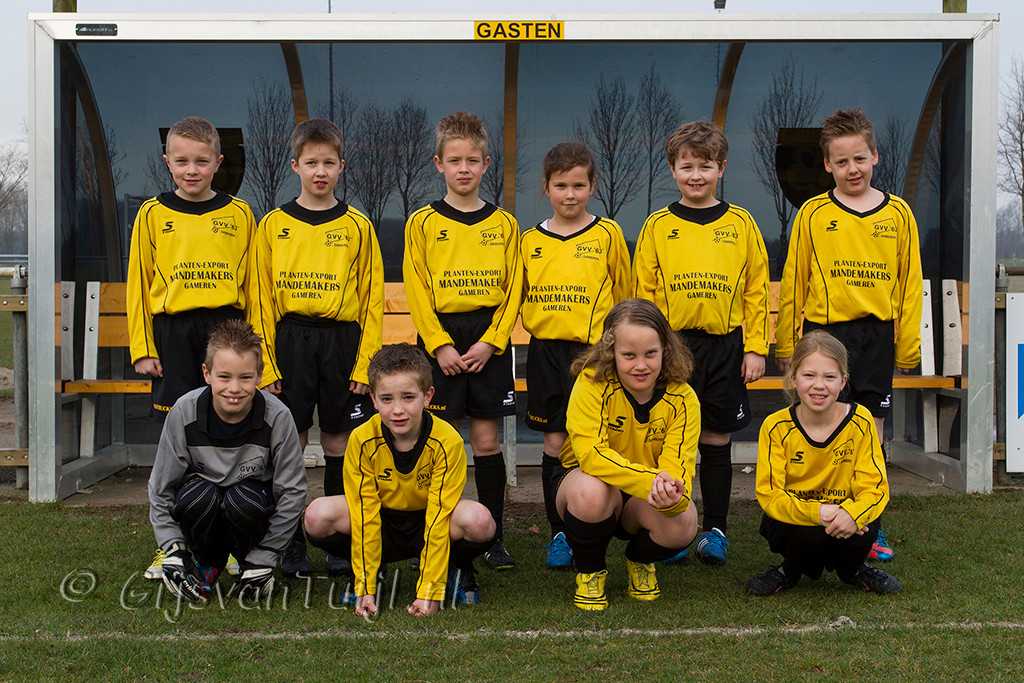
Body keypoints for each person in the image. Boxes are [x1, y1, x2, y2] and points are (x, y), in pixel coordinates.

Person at [775, 108, 924, 562]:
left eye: (859, 158)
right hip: (825, 336)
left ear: (875, 156)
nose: (852, 169)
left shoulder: (898, 214)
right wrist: (787, 344)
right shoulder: (813, 213)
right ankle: (815, 518)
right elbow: (794, 281)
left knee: (869, 434)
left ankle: (869, 525)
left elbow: (910, 285)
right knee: (821, 428)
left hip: (876, 337)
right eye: (841, 162)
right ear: (827, 165)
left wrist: (908, 346)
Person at [249, 117, 384, 579]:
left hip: (342, 342)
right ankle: (289, 545)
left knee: (338, 441)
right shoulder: (273, 224)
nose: (320, 171)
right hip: (291, 341)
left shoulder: (358, 226)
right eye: (311, 163)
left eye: (329, 163)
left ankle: (335, 541)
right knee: (290, 442)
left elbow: (372, 300)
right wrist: (266, 364)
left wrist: (365, 365)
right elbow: (261, 299)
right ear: (295, 166)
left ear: (342, 166)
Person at [632, 120, 770, 566]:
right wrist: (648, 350)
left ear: (721, 168)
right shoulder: (658, 225)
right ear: (673, 170)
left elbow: (756, 290)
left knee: (715, 438)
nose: (696, 175)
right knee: (670, 439)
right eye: (687, 166)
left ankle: (715, 530)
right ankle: (670, 529)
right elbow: (643, 294)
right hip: (674, 349)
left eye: (705, 166)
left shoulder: (741, 223)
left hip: (726, 347)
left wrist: (756, 347)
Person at [128, 116, 257, 580]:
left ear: (218, 163)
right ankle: (172, 546)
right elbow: (138, 284)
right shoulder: (151, 214)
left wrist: (256, 348)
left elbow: (254, 286)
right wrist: (142, 348)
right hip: (173, 332)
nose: (191, 170)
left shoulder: (240, 214)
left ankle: (228, 542)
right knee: (176, 439)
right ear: (167, 162)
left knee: (228, 433)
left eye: (201, 161)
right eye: (181, 161)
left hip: (226, 328)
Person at [402, 111, 522, 571]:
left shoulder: (505, 224)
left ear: (487, 164)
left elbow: (513, 291)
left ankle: (493, 538)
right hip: (442, 339)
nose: (464, 169)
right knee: (440, 439)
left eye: (473, 160)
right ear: (439, 164)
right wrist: (439, 345)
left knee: (486, 441)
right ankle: (436, 533)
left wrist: (493, 342)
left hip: (488, 340)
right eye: (455, 160)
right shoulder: (422, 222)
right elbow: (416, 288)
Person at [303, 344, 496, 616]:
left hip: (428, 519)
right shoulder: (361, 439)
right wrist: (365, 586)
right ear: (373, 399)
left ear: (427, 396)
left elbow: (439, 516)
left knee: (480, 521)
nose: (397, 410)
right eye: (386, 399)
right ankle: (365, 571)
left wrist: (429, 591)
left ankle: (455, 567)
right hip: (383, 522)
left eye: (408, 397)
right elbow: (364, 513)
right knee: (316, 515)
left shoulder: (447, 441)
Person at [518, 141, 630, 570]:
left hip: (594, 354)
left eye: (578, 185)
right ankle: (559, 533)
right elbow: (517, 296)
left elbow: (626, 297)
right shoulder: (529, 240)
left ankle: (612, 521)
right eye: (561, 185)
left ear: (592, 186)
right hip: (546, 352)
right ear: (546, 187)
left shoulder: (608, 233)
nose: (570, 194)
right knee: (554, 441)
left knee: (599, 440)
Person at [148, 319, 307, 603]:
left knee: (242, 498)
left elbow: (293, 492)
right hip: (202, 503)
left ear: (259, 375)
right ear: (206, 373)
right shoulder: (184, 412)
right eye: (224, 377)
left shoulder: (278, 416)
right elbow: (161, 489)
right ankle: (207, 565)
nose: (234, 388)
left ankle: (250, 565)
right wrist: (173, 548)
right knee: (198, 496)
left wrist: (266, 555)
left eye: (245, 378)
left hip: (251, 508)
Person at [556, 299, 699, 611]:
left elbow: (679, 465)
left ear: (665, 350)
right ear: (611, 352)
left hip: (640, 498)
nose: (641, 365)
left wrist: (672, 492)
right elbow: (591, 456)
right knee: (592, 490)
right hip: (588, 486)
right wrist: (652, 482)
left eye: (651, 353)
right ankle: (590, 571)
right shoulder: (592, 383)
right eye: (629, 355)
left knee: (684, 520)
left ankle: (639, 560)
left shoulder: (684, 398)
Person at [747, 330, 901, 596]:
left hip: (845, 517)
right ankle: (789, 570)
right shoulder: (775, 426)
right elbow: (770, 495)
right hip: (798, 522)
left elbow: (875, 489)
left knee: (864, 524)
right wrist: (817, 513)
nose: (819, 385)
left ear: (843, 381)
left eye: (829, 377)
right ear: (793, 378)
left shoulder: (862, 421)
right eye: (809, 375)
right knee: (806, 530)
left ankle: (853, 570)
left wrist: (853, 514)